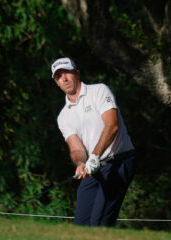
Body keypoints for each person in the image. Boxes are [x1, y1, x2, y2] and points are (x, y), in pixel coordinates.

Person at [51, 57, 135, 226]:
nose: (64, 78)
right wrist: (81, 163)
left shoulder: (99, 91)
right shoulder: (63, 116)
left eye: (67, 73)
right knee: (80, 225)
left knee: (99, 224)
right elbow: (76, 147)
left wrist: (95, 156)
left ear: (77, 73)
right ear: (56, 83)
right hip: (93, 168)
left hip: (119, 161)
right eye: (59, 76)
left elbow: (112, 126)